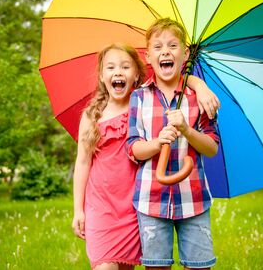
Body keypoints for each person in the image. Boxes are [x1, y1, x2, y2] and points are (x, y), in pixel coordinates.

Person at [72, 43, 220, 270]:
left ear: (136, 76)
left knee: (125, 267)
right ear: (102, 76)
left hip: (133, 206)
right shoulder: (92, 115)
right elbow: (82, 163)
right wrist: (78, 209)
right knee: (105, 266)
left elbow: (172, 82)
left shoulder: (142, 101)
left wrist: (198, 85)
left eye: (125, 67)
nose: (118, 73)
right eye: (110, 68)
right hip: (100, 206)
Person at [126, 18, 220, 270]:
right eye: (157, 47)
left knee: (199, 266)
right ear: (148, 56)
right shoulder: (139, 97)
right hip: (151, 201)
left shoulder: (200, 98)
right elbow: (133, 147)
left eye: (172, 46)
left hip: (194, 199)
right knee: (156, 266)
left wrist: (187, 130)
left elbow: (211, 147)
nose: (165, 52)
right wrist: (158, 142)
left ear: (185, 54)